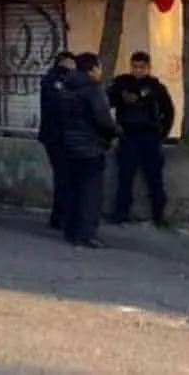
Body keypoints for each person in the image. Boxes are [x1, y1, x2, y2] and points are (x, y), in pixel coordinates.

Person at [106, 51, 176, 227]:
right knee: (125, 177)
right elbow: (108, 100)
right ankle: (121, 213)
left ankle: (159, 215)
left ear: (148, 68)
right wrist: (121, 96)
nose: (138, 70)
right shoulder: (122, 83)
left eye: (142, 67)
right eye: (135, 66)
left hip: (150, 136)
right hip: (128, 135)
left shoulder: (156, 87)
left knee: (154, 178)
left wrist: (162, 134)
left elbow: (168, 111)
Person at [57, 52, 119, 248]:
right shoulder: (93, 89)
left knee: (73, 190)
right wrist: (113, 134)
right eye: (99, 68)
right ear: (92, 69)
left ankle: (71, 231)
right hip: (91, 147)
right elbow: (103, 120)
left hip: (69, 146)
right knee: (91, 193)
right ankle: (87, 233)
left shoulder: (66, 88)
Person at [38, 51, 76, 230]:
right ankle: (60, 216)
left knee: (63, 177)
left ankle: (61, 215)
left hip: (55, 136)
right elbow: (57, 106)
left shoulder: (54, 79)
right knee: (63, 177)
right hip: (57, 136)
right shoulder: (55, 80)